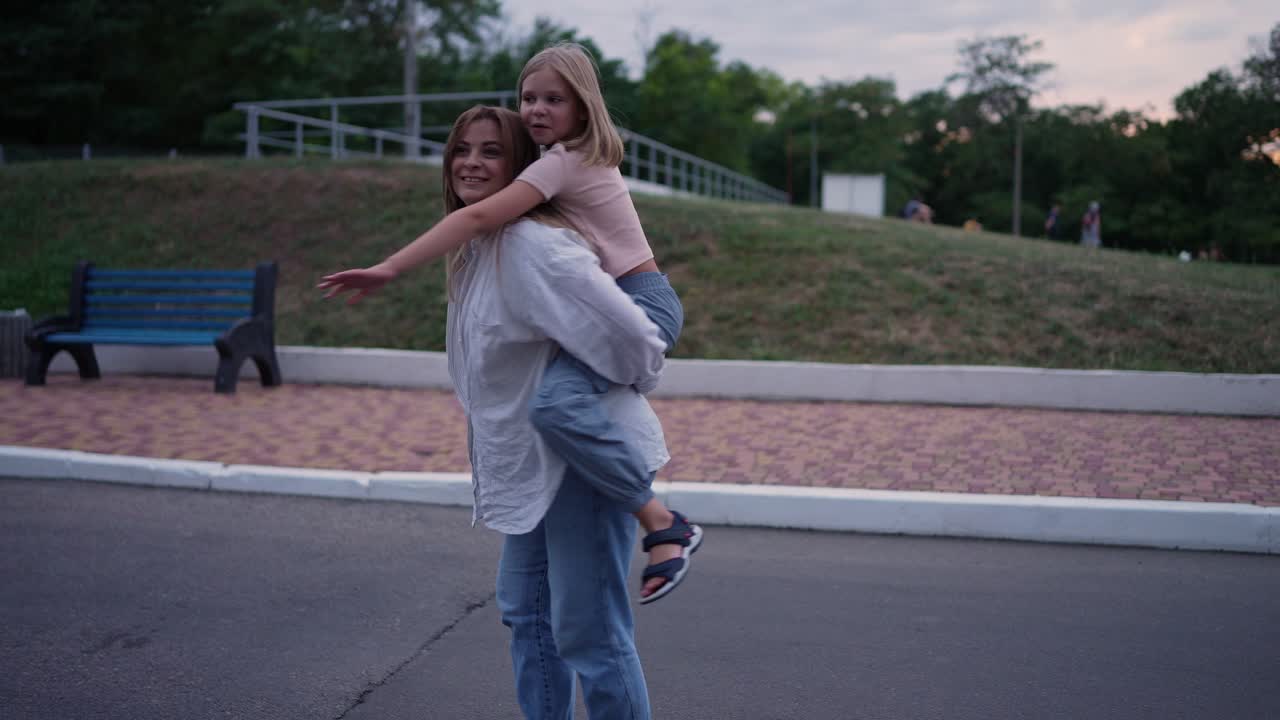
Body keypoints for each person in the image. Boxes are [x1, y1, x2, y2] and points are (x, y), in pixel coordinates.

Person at [318, 42, 702, 605]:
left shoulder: (565, 161)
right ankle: (656, 516)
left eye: (555, 98)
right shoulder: (570, 162)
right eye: (529, 97)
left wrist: (390, 267)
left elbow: (476, 215)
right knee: (553, 403)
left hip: (641, 301)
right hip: (623, 295)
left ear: (583, 107)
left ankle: (664, 521)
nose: (538, 109)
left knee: (555, 405)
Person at [434, 105, 669, 718]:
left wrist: (634, 381)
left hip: (580, 469)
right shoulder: (479, 246)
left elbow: (637, 335)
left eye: (491, 151)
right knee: (527, 617)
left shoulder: (533, 244)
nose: (471, 163)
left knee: (589, 635)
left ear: (521, 169)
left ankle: (667, 523)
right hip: (534, 466)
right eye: (462, 149)